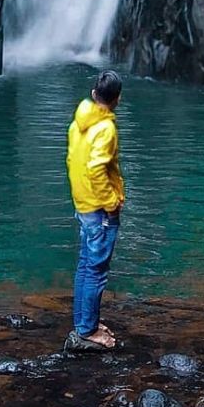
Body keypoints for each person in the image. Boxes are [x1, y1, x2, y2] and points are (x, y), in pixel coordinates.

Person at [65, 69, 124, 350]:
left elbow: (72, 160)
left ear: (93, 94)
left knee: (86, 265)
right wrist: (111, 204)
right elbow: (96, 169)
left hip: (83, 203)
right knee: (96, 271)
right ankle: (88, 330)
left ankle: (83, 323)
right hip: (99, 210)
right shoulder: (106, 128)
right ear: (118, 99)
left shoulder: (79, 122)